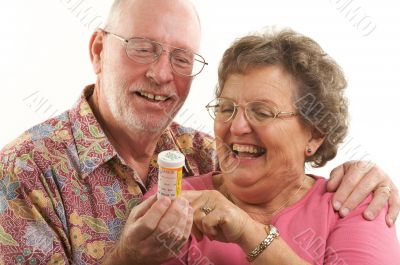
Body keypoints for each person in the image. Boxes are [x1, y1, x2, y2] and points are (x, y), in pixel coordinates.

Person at [0, 0, 398, 264]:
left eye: (181, 58)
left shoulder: (206, 151)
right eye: (142, 47)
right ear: (99, 51)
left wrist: (369, 176)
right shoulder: (24, 171)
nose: (160, 74)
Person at [143, 28, 400, 264]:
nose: (236, 127)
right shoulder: (178, 200)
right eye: (227, 108)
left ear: (315, 134)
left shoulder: (353, 203)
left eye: (262, 112)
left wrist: (248, 233)